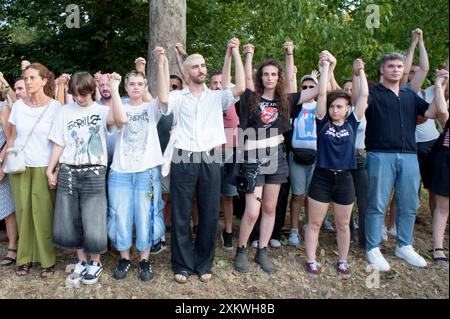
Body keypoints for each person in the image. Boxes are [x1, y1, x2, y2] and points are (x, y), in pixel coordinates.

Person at [155, 38, 245, 284]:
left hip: (209, 157)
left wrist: (233, 53)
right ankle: (182, 265)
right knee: (181, 214)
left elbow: (241, 88)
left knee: (207, 214)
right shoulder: (178, 97)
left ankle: (204, 263)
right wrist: (161, 63)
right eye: (195, 66)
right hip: (183, 157)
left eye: (203, 65)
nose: (201, 69)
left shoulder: (216, 97)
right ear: (186, 72)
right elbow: (162, 98)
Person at [364, 52, 447, 271]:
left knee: (410, 204)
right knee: (377, 203)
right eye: (391, 66)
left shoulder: (409, 94)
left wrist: (439, 85)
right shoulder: (373, 93)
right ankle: (372, 247)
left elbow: (430, 112)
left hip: (409, 155)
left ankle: (404, 245)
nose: (396, 69)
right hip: (380, 154)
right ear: (382, 69)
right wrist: (358, 73)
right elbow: (358, 102)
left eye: (400, 66)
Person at [303, 53, 368, 278]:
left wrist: (360, 72)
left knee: (343, 225)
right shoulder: (322, 122)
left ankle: (342, 261)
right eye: (333, 106)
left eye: (340, 106)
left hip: (345, 179)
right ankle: (310, 260)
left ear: (347, 109)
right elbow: (322, 93)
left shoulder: (352, 122)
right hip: (322, 177)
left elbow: (364, 95)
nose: (335, 110)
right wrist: (325, 68)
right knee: (314, 223)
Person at [233, 42, 295, 274]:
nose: (269, 77)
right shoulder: (251, 98)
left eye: (273, 74)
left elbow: (306, 86)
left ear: (278, 77)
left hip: (277, 159)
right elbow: (246, 79)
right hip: (253, 159)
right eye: (265, 74)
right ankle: (241, 249)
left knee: (270, 208)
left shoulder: (285, 101)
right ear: (260, 76)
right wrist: (247, 55)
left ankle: (262, 251)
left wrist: (289, 54)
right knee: (252, 211)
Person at [47, 71, 114, 285]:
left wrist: (114, 85)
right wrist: (51, 169)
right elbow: (59, 142)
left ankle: (95, 262)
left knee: (94, 216)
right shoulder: (65, 112)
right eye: (75, 94)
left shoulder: (103, 111)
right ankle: (82, 260)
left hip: (94, 169)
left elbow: (117, 123)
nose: (79, 98)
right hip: (68, 169)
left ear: (92, 90)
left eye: (83, 94)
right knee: (70, 216)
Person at [4, 63, 61, 278]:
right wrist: (4, 165)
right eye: (25, 78)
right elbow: (12, 137)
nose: (27, 82)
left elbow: (59, 142)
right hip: (19, 167)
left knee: (43, 214)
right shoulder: (18, 106)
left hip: (44, 166)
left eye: (32, 78)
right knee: (24, 213)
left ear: (44, 81)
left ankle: (47, 260)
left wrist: (54, 170)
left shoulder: (55, 107)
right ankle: (24, 258)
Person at [107, 70, 165, 281]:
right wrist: (113, 88)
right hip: (121, 171)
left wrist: (161, 63)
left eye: (140, 83)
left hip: (146, 171)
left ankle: (144, 259)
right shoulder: (117, 105)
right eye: (132, 83)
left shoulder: (152, 108)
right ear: (126, 86)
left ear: (146, 87)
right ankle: (124, 257)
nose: (136, 87)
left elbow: (164, 97)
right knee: (119, 215)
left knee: (147, 215)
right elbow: (116, 121)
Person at [428, 68, 449, 262]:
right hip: (446, 157)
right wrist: (438, 85)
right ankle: (437, 248)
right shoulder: (445, 99)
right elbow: (441, 113)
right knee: (443, 206)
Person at [0, 91, 16, 267]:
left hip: (2, 162)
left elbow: (10, 138)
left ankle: (12, 247)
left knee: (7, 208)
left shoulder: (3, 108)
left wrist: (1, 163)